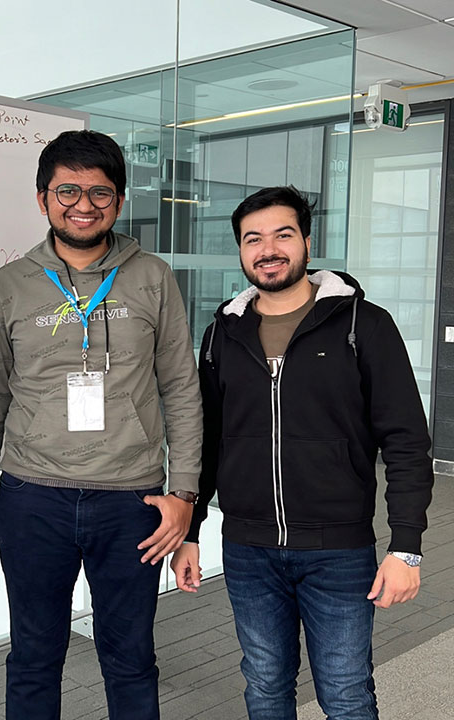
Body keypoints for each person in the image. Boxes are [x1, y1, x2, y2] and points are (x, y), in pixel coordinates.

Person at [0, 129, 202, 720]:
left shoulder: (152, 276)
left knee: (130, 658)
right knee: (34, 656)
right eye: (67, 189)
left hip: (133, 501)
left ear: (118, 201)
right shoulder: (9, 284)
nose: (83, 204)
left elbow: (181, 388)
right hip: (31, 496)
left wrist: (184, 495)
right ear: (42, 198)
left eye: (99, 192)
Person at [171, 185, 433, 720]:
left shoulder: (365, 325)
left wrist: (406, 546)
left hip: (339, 551)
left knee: (345, 693)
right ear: (241, 252)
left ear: (307, 244)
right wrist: (192, 530)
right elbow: (206, 438)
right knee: (265, 687)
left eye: (282, 235)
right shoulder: (222, 334)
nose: (268, 249)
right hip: (248, 551)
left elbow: (406, 440)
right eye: (253, 239)